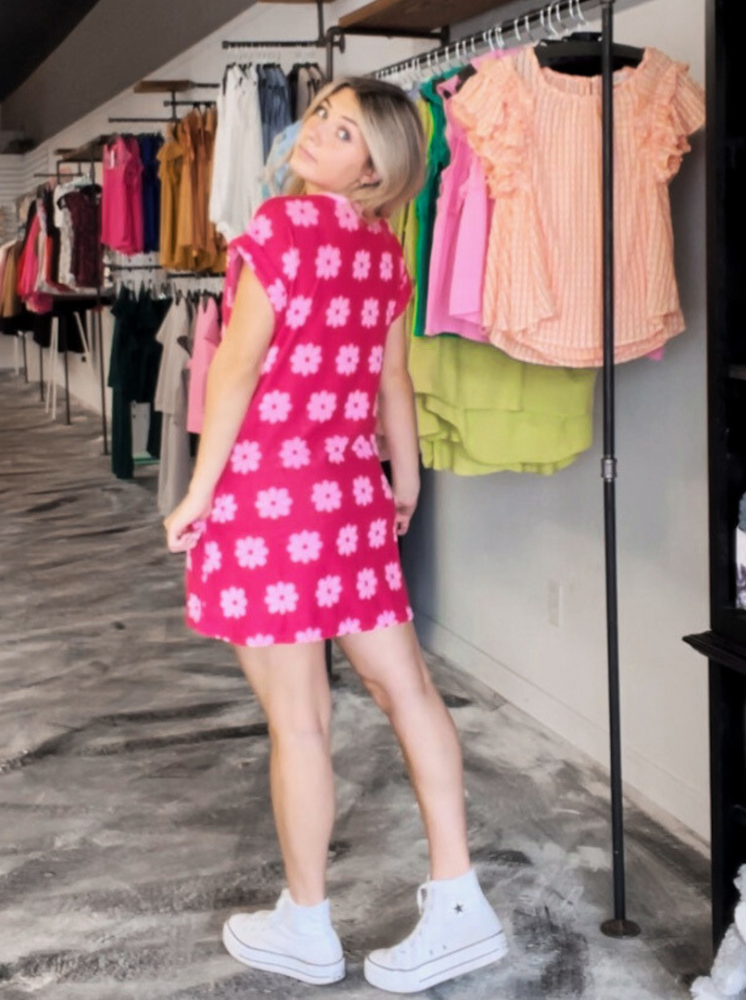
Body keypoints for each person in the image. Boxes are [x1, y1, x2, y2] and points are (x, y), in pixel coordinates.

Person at [164, 76, 507, 993]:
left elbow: (233, 373)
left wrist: (199, 491)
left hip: (270, 495)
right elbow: (394, 381)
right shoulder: (384, 258)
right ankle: (458, 897)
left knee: (300, 720)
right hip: (350, 494)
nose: (316, 130)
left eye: (344, 130)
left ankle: (308, 923)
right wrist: (406, 476)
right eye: (321, 113)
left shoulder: (272, 233)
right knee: (409, 691)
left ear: (375, 170)